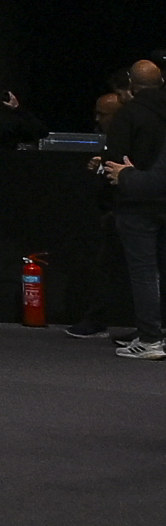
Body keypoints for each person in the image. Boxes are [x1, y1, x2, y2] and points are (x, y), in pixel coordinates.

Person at [92, 62, 166, 358]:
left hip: (136, 202)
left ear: (131, 85)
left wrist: (114, 180)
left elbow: (113, 164)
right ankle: (159, 335)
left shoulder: (129, 115)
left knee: (144, 273)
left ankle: (149, 339)